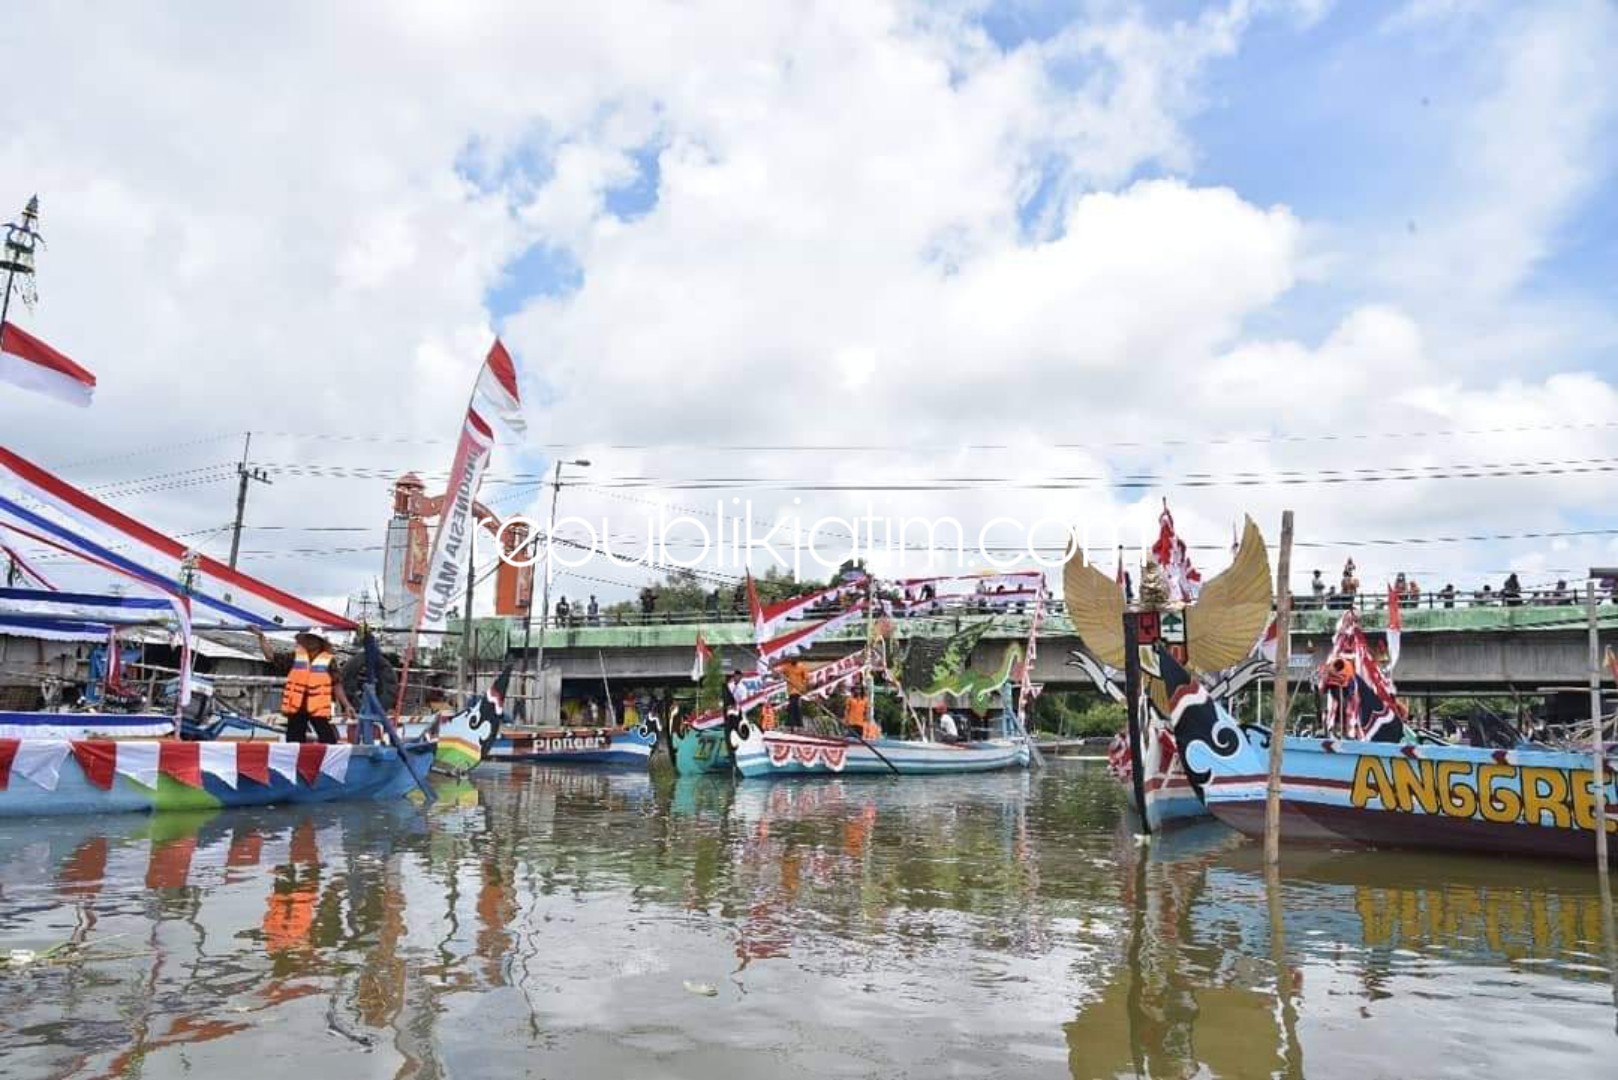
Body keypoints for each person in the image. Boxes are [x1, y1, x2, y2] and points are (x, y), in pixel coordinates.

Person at [273, 628, 354, 744]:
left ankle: (326, 760)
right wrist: (261, 637)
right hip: (298, 705)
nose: (310, 641)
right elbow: (271, 657)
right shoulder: (295, 656)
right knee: (294, 740)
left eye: (314, 639)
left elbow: (336, 684)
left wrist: (346, 705)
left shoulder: (329, 660)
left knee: (327, 738)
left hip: (318, 705)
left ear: (320, 642)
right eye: (308, 638)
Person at [777, 657, 810, 729]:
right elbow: (779, 672)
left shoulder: (802, 666)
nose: (793, 661)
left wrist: (804, 687)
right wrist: (781, 675)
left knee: (793, 705)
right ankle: (795, 724)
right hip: (790, 690)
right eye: (792, 659)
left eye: (794, 659)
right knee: (793, 706)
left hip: (798, 689)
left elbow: (806, 678)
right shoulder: (787, 666)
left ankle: (793, 723)